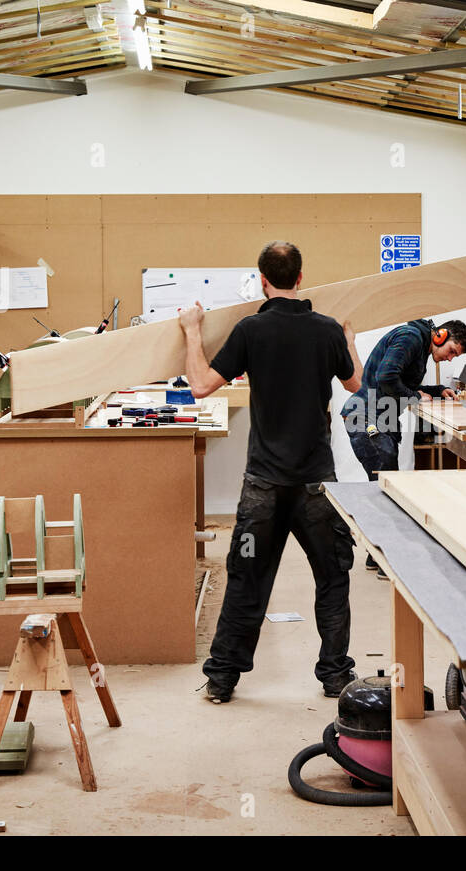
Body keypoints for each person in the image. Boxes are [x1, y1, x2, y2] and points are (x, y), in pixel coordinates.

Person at [179, 241, 364, 704]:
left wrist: (190, 331)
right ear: (301, 278)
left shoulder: (251, 330)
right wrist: (351, 344)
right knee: (333, 577)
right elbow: (355, 383)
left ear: (262, 279)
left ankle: (222, 679)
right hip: (317, 488)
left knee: (247, 578)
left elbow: (200, 386)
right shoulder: (326, 332)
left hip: (262, 489)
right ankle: (336, 676)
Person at [340, 318, 466, 572]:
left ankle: (376, 555)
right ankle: (384, 556)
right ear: (441, 336)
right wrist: (414, 396)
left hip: (379, 418)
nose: (449, 358)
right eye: (452, 351)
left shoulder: (418, 344)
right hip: (366, 418)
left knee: (384, 486)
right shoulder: (411, 337)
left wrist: (435, 390)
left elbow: (403, 384)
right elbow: (386, 377)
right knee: (386, 487)